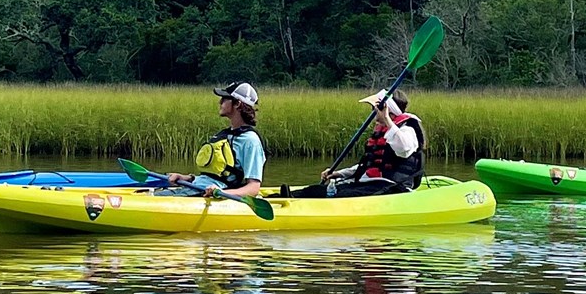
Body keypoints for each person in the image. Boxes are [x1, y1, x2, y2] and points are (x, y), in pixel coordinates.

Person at [287, 88, 424, 198]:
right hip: (371, 184)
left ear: (386, 109)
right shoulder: (384, 129)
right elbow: (371, 165)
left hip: (392, 187)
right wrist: (340, 173)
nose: (372, 112)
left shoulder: (407, 129)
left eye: (374, 109)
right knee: (314, 191)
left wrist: (387, 119)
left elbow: (404, 149)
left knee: (343, 194)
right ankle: (285, 197)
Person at [158, 82, 266, 199]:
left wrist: (223, 192)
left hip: (213, 194)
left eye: (225, 99)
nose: (220, 102)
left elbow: (254, 188)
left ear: (237, 104)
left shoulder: (250, 141)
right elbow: (213, 176)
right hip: (196, 188)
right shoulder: (226, 134)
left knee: (156, 197)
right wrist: (187, 178)